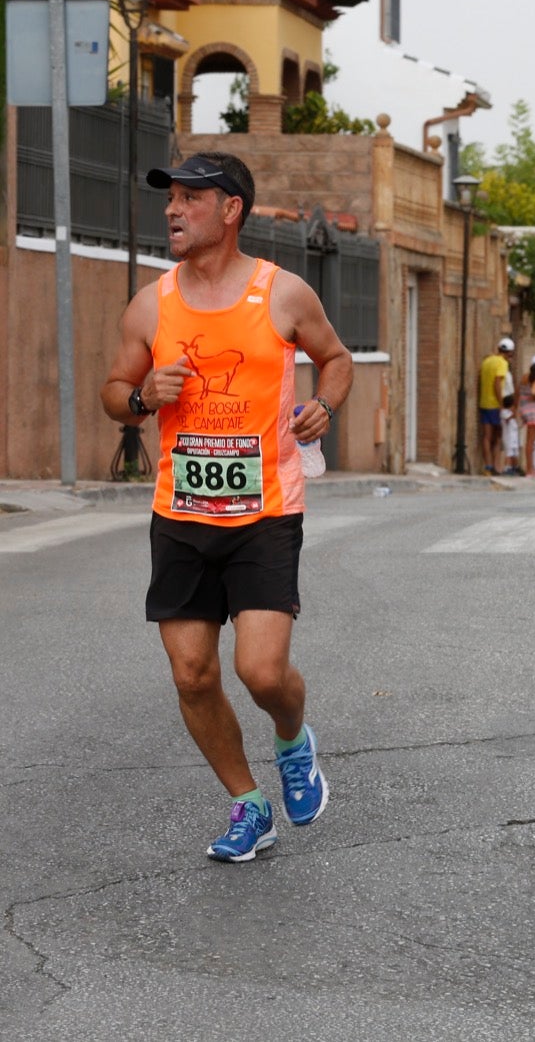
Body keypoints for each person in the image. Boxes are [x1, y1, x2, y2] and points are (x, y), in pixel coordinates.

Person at [99, 152, 350, 862]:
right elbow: (115, 389)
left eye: (189, 198)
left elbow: (335, 358)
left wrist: (323, 406)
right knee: (192, 674)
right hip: (180, 514)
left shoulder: (282, 293)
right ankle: (248, 803)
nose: (174, 211)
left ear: (231, 209)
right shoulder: (152, 304)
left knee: (262, 673)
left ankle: (293, 742)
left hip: (266, 510)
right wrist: (146, 396)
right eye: (170, 199)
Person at [479, 337, 516, 475]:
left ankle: (487, 467)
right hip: (494, 404)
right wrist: (501, 404)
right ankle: (494, 466)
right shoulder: (502, 363)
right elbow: (497, 383)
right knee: (497, 437)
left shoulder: (487, 361)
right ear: (509, 353)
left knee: (486, 437)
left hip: (483, 402)